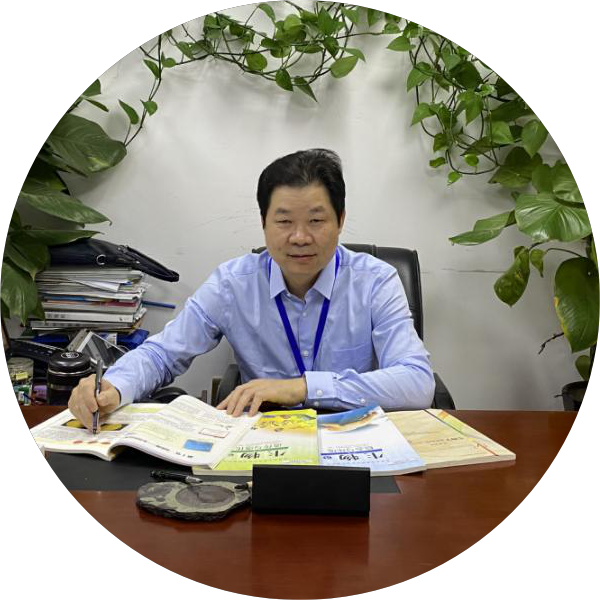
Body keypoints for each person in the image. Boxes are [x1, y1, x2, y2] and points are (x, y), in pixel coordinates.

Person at [68, 149, 435, 430]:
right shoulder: (233, 284)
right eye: (284, 221)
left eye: (316, 220)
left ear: (340, 221)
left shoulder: (376, 281)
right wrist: (113, 386)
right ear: (264, 223)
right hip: (262, 439)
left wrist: (301, 388)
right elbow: (163, 354)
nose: (300, 237)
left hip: (354, 437)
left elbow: (417, 382)